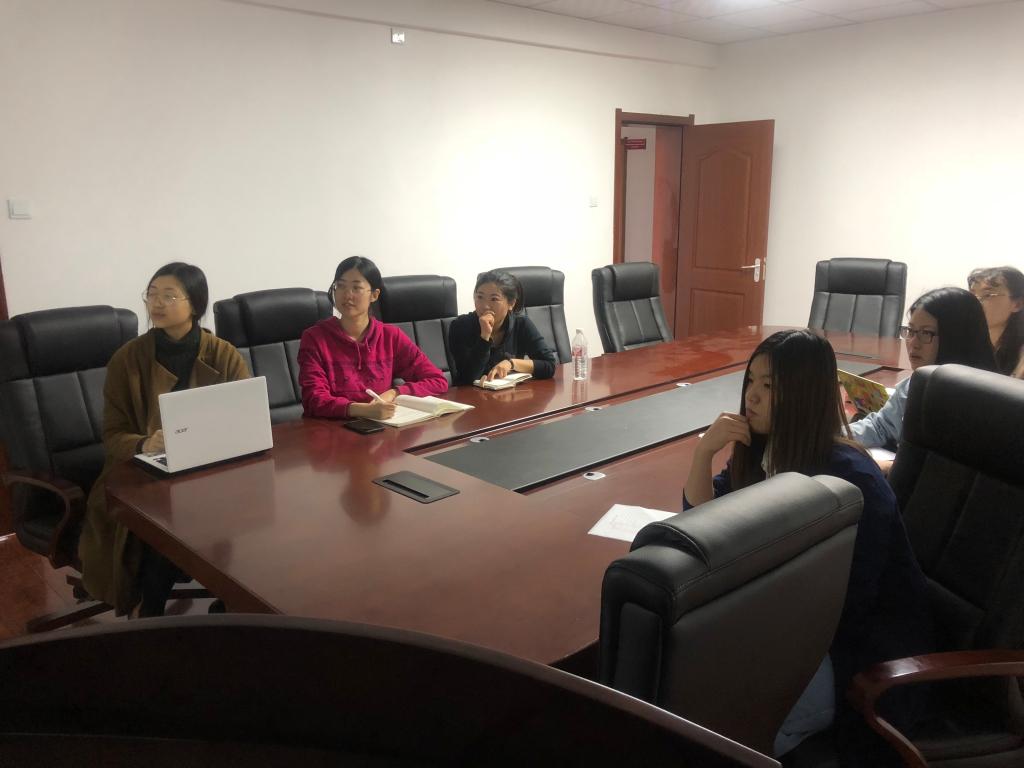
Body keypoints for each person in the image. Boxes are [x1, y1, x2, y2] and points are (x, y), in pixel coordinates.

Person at [683, 329, 932, 760]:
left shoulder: (851, 478)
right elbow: (703, 525)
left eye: (768, 386)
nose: (751, 397)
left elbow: (851, 602)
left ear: (803, 394)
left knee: (728, 727)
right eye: (750, 381)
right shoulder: (763, 449)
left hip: (854, 656)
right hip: (791, 631)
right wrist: (703, 453)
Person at [78, 262, 250, 617]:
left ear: (195, 304)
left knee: (248, 515)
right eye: (152, 294)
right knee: (166, 527)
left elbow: (246, 421)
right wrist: (145, 444)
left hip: (208, 472)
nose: (156, 303)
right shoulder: (128, 360)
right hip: (140, 476)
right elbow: (113, 435)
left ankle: (231, 603)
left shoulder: (224, 355)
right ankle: (151, 615)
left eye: (169, 296)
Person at [851, 287, 997, 458]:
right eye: (911, 331)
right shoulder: (917, 382)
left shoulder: (980, 401)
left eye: (926, 333)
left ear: (956, 338)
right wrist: (833, 436)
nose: (913, 343)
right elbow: (881, 426)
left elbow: (945, 465)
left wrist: (886, 467)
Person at [298, 256, 448, 419]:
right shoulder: (315, 338)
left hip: (381, 427)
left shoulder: (390, 336)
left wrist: (394, 393)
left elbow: (437, 380)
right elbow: (314, 399)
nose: (347, 295)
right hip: (330, 429)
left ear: (374, 295)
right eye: (340, 286)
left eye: (356, 288)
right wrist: (361, 410)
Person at [448, 270, 557, 385]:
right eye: (480, 297)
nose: (485, 306)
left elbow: (549, 365)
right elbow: (467, 378)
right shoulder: (460, 326)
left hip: (510, 393)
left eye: (494, 299)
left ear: (511, 304)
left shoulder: (521, 324)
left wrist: (511, 363)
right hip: (471, 395)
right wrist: (484, 337)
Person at [967, 266, 1024, 375]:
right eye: (972, 295)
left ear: (1018, 304)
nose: (975, 302)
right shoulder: (966, 342)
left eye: (988, 295)